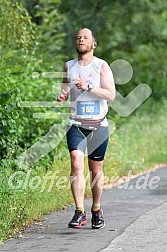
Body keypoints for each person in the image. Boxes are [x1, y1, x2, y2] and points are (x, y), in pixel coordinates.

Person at [57, 28, 115, 229]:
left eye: (85, 37)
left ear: (93, 44)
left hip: (98, 125)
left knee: (96, 170)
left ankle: (96, 210)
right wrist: (63, 95)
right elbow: (65, 85)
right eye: (78, 37)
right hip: (76, 124)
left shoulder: (101, 66)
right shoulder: (69, 66)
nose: (81, 39)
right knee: (76, 161)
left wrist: (89, 87)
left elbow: (110, 94)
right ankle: (79, 211)